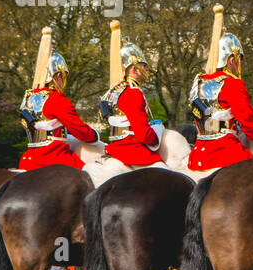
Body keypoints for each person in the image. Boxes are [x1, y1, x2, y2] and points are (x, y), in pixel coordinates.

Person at [187, 6, 253, 173]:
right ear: (231, 59)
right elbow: (249, 124)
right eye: (239, 58)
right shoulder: (232, 83)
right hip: (225, 154)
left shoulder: (198, 81)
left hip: (197, 156)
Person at [18, 27, 98, 171]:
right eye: (63, 76)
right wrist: (95, 135)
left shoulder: (28, 97)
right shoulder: (56, 98)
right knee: (92, 179)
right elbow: (81, 131)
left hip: (28, 160)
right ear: (58, 76)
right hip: (55, 160)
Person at [100, 23, 166, 169]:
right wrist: (157, 134)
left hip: (113, 147)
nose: (147, 69)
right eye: (143, 65)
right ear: (133, 68)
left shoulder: (114, 91)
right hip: (132, 151)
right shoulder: (132, 92)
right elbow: (143, 134)